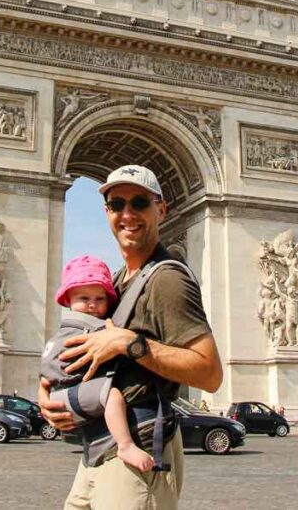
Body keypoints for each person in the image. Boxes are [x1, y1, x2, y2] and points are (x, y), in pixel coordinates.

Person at [38, 165, 223, 510]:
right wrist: (46, 391)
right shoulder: (116, 282)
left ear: (161, 209)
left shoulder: (168, 281)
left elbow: (210, 374)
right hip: (97, 447)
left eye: (139, 202)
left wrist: (130, 344)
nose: (127, 214)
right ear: (106, 211)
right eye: (116, 204)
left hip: (137, 450)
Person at [43, 255, 155, 472]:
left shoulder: (64, 328)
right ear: (68, 300)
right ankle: (125, 445)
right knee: (112, 396)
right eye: (84, 299)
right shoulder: (88, 326)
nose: (92, 305)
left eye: (100, 299)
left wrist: (45, 385)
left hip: (65, 394)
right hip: (72, 393)